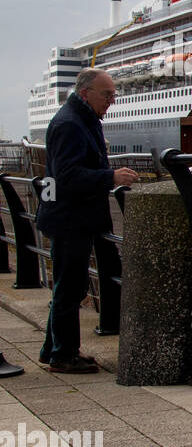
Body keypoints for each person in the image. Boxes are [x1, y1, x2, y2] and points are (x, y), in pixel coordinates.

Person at [35, 68, 138, 373]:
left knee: (70, 286)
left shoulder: (79, 118)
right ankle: (62, 356)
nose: (112, 101)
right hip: (70, 219)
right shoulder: (71, 124)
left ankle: (53, 349)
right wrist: (111, 176)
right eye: (107, 94)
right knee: (71, 288)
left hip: (73, 217)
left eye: (113, 94)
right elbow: (67, 176)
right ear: (85, 94)